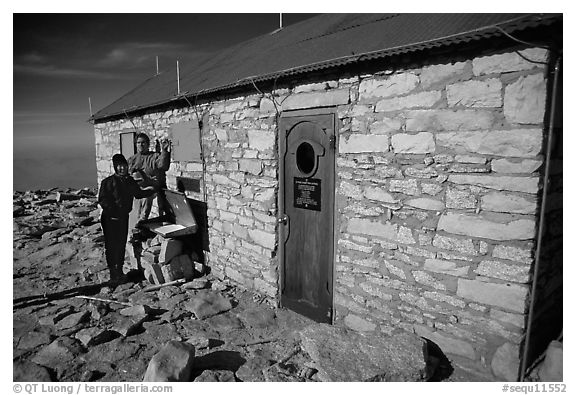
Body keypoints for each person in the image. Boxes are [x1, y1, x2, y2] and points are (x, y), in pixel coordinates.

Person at [98, 154, 155, 284]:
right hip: (110, 219)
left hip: (123, 218)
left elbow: (138, 193)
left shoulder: (129, 181)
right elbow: (103, 200)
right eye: (119, 166)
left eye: (124, 166)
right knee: (111, 246)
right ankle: (113, 273)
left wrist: (151, 190)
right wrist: (114, 210)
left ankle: (120, 272)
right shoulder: (107, 182)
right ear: (115, 167)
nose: (122, 168)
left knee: (121, 244)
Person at [127, 133, 171, 222]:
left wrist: (164, 151)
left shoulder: (154, 157)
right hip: (137, 187)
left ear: (148, 144)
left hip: (151, 186)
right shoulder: (132, 159)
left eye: (143, 142)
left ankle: (142, 220)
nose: (141, 145)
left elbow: (163, 166)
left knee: (146, 196)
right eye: (138, 142)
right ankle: (133, 223)